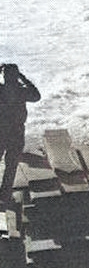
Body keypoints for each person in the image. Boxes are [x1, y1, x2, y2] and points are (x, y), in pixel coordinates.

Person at [0, 63, 41, 203]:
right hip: (16, 132)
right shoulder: (21, 91)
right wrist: (23, 78)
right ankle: (4, 197)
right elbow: (37, 96)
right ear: (15, 76)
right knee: (11, 166)